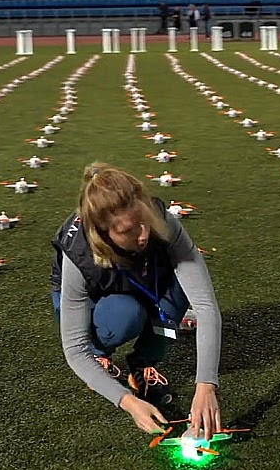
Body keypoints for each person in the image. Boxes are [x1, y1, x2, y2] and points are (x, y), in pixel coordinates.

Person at [51, 163, 223, 438]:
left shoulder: (162, 222)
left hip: (143, 282)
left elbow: (204, 305)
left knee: (177, 296)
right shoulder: (79, 254)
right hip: (100, 304)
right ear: (104, 234)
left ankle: (142, 364)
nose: (144, 234)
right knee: (125, 315)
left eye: (144, 221)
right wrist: (127, 402)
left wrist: (206, 385)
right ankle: (102, 352)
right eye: (129, 230)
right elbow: (75, 350)